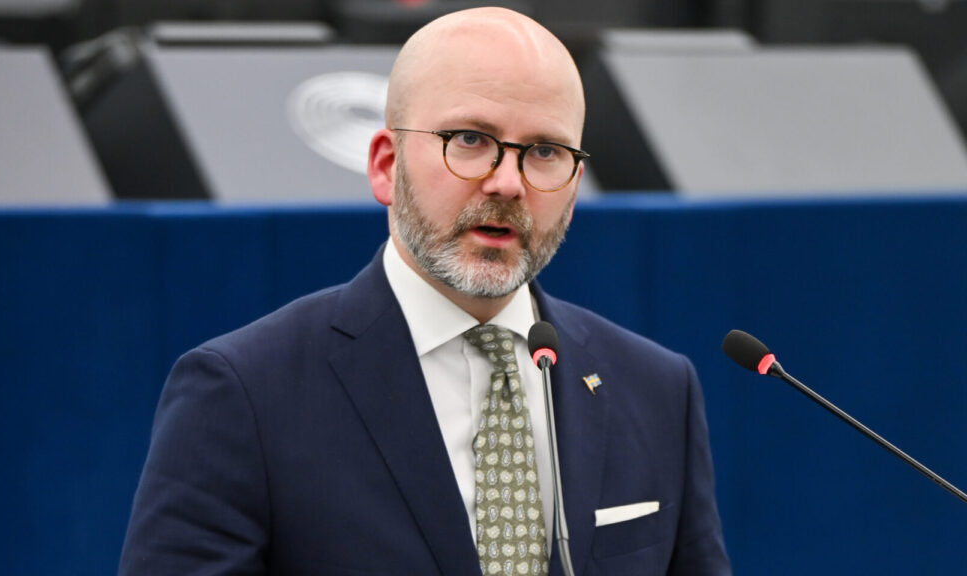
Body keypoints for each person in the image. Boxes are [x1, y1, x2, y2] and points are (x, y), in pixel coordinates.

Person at [118, 7, 731, 576]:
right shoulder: (243, 395)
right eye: (469, 139)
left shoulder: (656, 389)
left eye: (544, 150)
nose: (508, 182)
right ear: (387, 165)